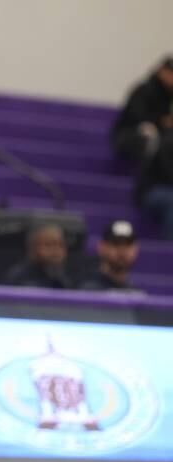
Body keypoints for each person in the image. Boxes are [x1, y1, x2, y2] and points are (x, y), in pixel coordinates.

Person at [111, 57, 173, 240]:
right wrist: (160, 121)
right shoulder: (144, 90)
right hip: (132, 137)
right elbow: (136, 116)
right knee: (149, 136)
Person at [3, 223, 73, 289]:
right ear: (32, 248)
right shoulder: (17, 280)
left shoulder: (65, 280)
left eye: (60, 245)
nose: (55, 251)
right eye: (48, 245)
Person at [79, 220, 140, 292]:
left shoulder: (136, 295)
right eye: (116, 243)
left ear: (136, 249)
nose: (122, 250)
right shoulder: (88, 291)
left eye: (128, 244)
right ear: (101, 247)